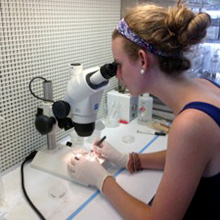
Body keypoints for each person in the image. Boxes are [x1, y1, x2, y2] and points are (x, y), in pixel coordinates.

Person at [68, 0, 220, 219]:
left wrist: (102, 180)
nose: (117, 75)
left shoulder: (191, 124)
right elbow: (188, 157)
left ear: (142, 60)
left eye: (118, 64)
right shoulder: (205, 86)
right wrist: (131, 160)